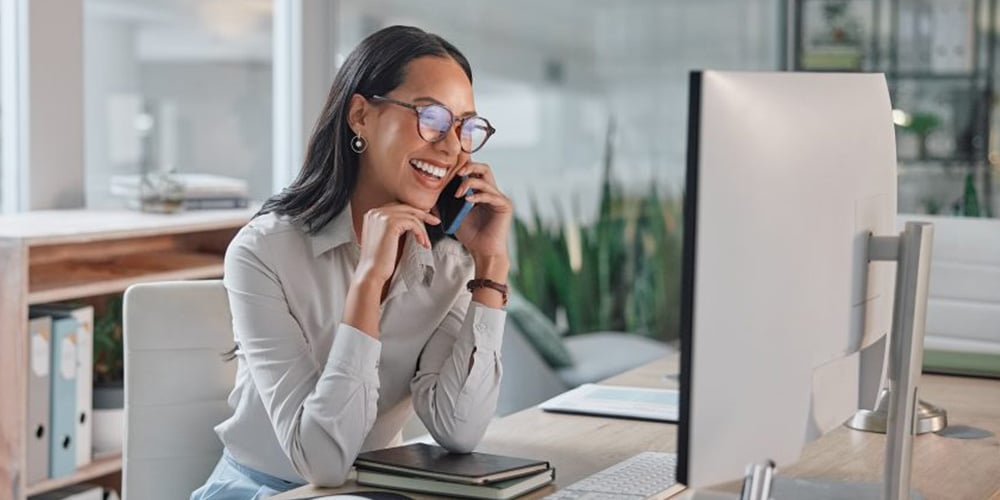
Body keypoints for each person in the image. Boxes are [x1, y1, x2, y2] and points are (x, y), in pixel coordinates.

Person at [191, 25, 512, 499]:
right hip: (266, 491)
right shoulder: (263, 251)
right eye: (432, 118)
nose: (451, 147)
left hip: (375, 490)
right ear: (360, 115)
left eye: (465, 127)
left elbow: (459, 429)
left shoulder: (449, 263)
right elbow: (321, 462)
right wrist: (369, 282)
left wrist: (490, 263)